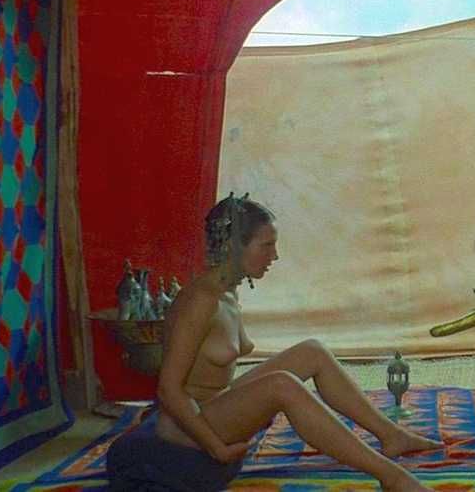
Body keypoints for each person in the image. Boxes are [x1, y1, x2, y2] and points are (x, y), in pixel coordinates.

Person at [107, 193, 441, 491]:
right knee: (282, 385)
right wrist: (216, 448)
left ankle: (391, 435)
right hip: (188, 435)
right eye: (266, 246)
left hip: (215, 408)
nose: (275, 256)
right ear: (234, 247)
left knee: (312, 351)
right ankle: (391, 477)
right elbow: (169, 389)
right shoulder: (200, 301)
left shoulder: (228, 290)